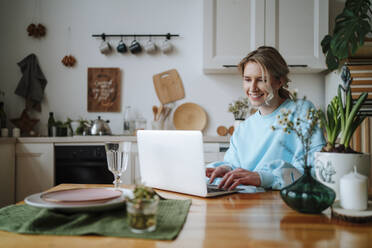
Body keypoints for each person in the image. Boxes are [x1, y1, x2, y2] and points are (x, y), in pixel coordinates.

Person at [206, 46, 325, 190]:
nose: (252, 87)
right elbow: (234, 165)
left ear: (279, 81)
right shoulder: (243, 128)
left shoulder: (301, 111)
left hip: (283, 202)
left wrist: (262, 178)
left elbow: (313, 170)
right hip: (243, 204)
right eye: (247, 80)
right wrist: (225, 169)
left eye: (261, 80)